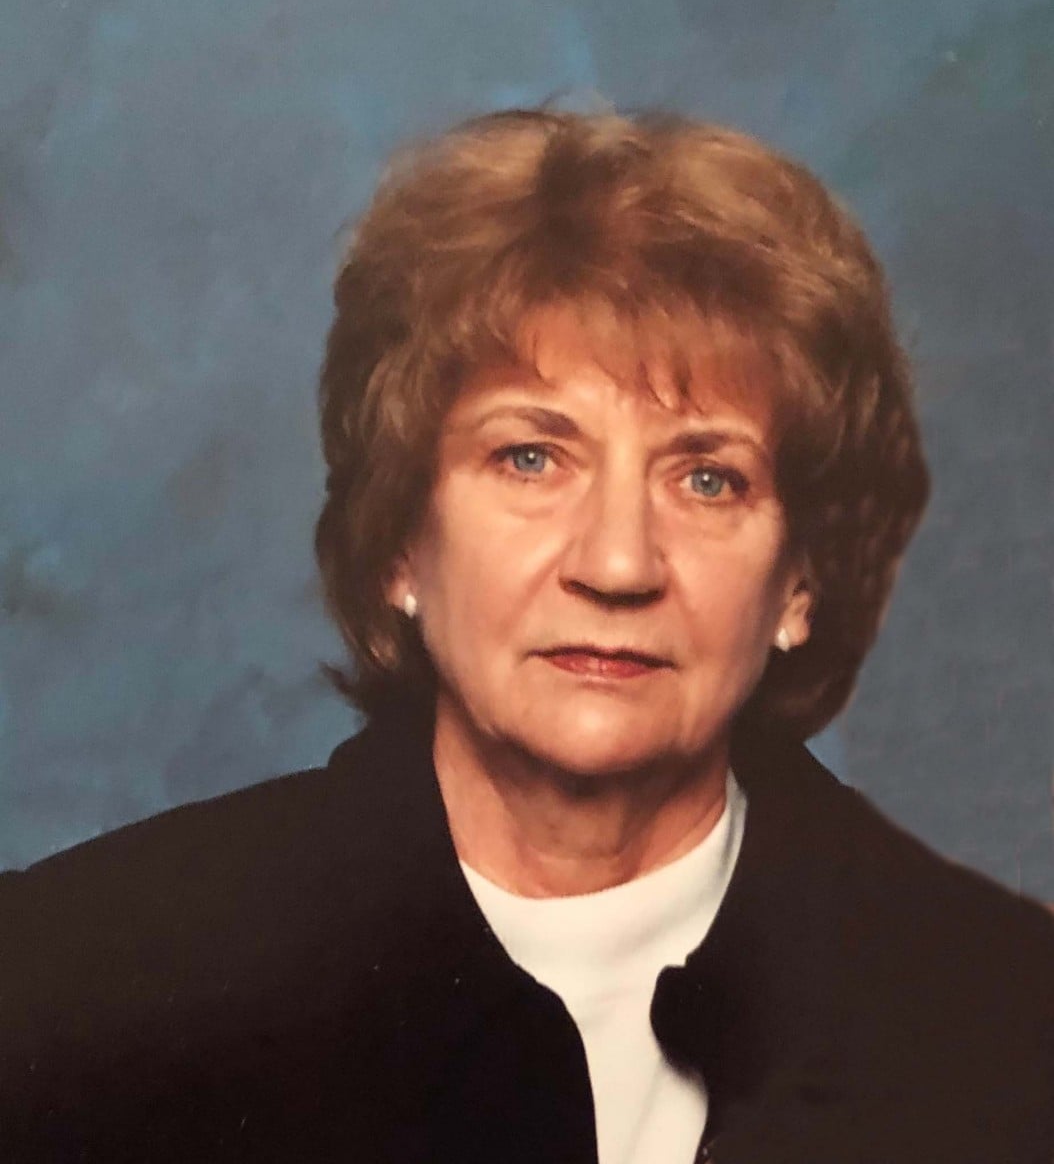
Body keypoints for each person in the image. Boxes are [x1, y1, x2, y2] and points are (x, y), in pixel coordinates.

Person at [2, 108, 1051, 1163]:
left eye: (706, 478)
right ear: (399, 542)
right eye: (531, 459)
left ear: (799, 584)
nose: (617, 564)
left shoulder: (1011, 1022)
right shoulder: (68, 994)